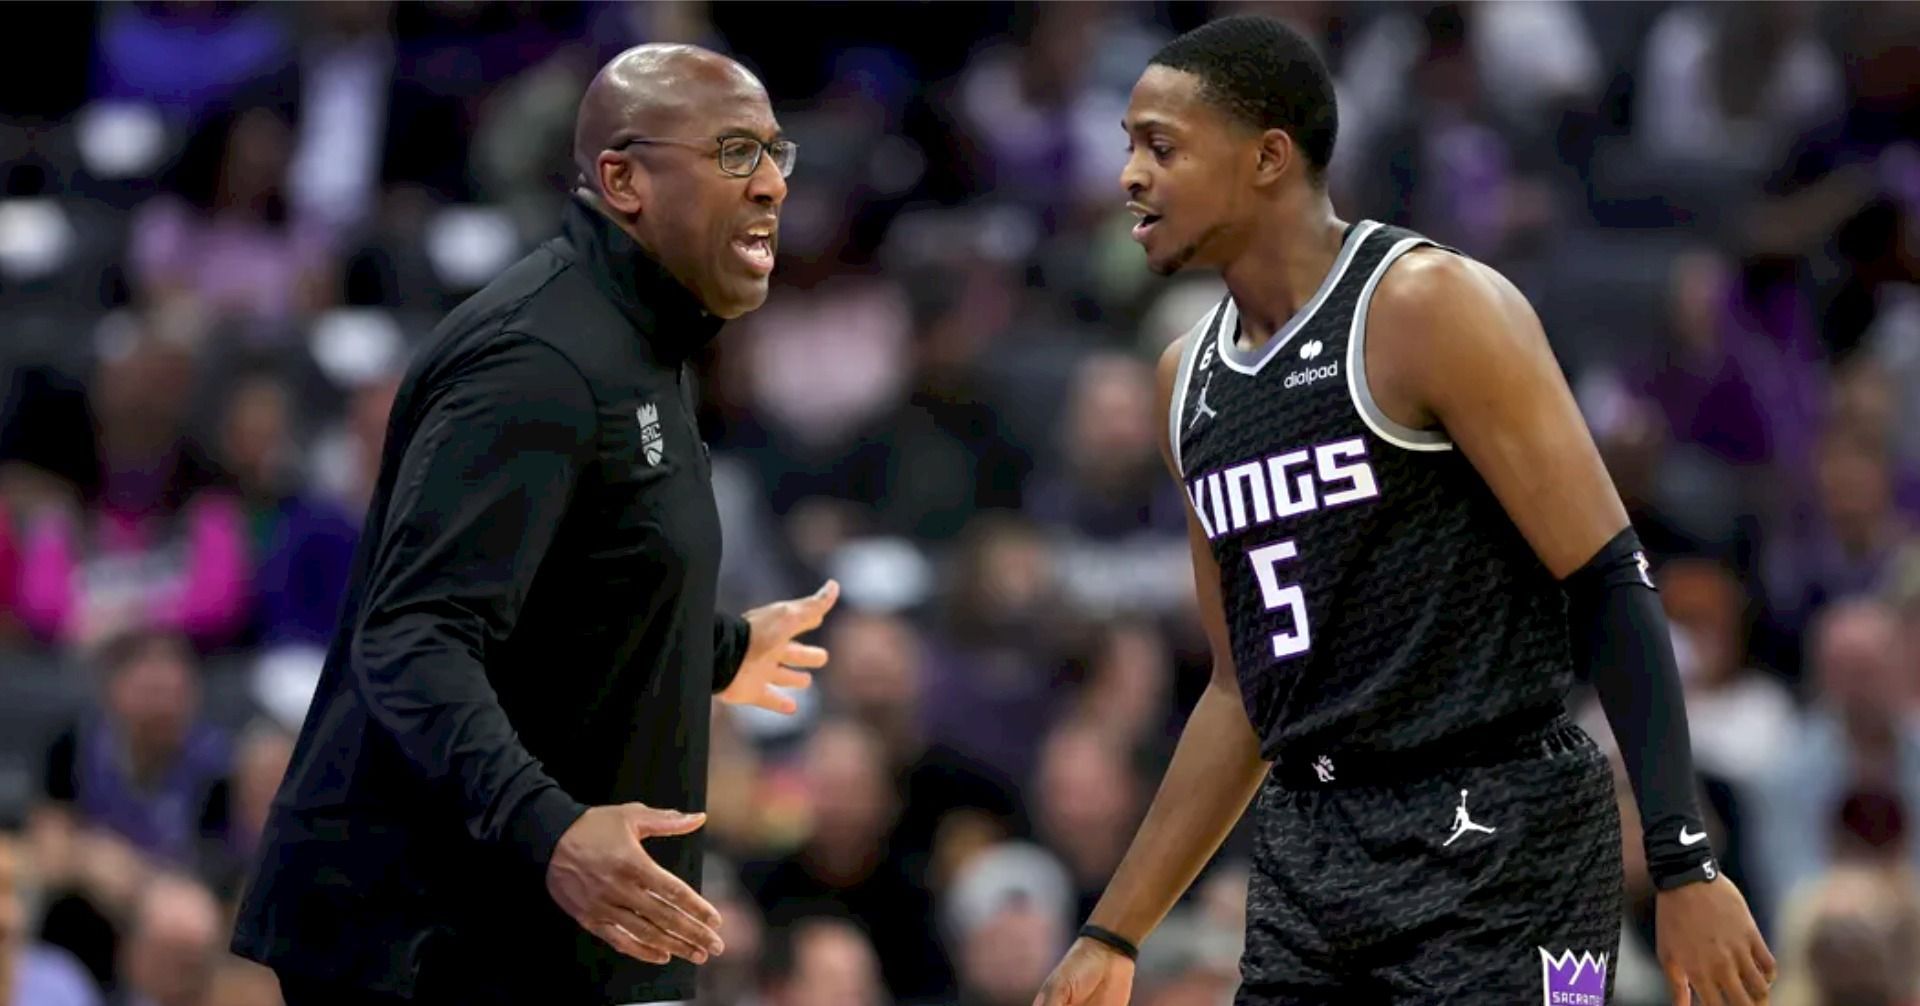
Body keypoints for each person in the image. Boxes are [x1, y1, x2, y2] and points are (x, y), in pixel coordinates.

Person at [1034, 15, 1774, 1006]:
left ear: (1267, 158)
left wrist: (1685, 861)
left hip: (1498, 822)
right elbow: (1241, 697)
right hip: (1313, 834)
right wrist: (1112, 929)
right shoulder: (1185, 383)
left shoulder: (1427, 305)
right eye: (1128, 146)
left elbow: (1608, 577)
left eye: (1161, 146)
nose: (1130, 174)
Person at [229, 43, 838, 1006]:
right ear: (623, 179)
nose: (769, 185)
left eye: (775, 155)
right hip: (432, 943)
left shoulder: (642, 341)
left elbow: (570, 581)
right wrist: (546, 824)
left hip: (549, 942)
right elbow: (415, 632)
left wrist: (711, 648)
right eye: (733, 153)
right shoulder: (539, 361)